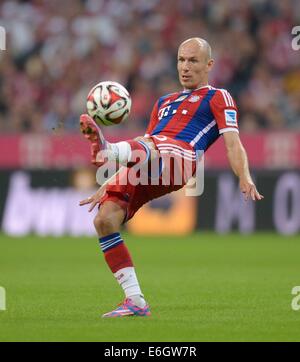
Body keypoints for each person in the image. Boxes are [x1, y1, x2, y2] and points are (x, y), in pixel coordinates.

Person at [79, 38, 264, 318]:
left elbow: (233, 142)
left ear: (209, 65)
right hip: (153, 159)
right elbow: (144, 146)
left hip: (182, 158)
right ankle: (135, 301)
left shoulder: (218, 97)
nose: (185, 67)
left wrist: (244, 175)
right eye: (181, 60)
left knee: (153, 145)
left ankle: (108, 148)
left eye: (193, 61)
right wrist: (108, 182)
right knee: (105, 220)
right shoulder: (164, 101)